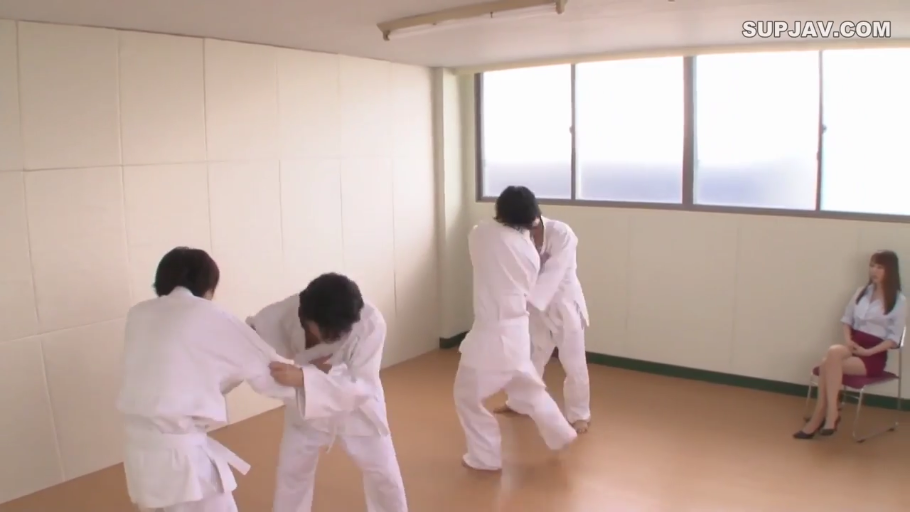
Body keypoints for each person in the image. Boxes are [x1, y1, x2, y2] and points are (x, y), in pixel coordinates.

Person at [117, 247, 361, 512]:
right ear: (208, 287)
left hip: (137, 457)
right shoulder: (211, 316)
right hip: (182, 461)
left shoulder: (138, 315)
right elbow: (272, 373)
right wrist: (313, 381)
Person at [252, 273, 407, 512]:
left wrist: (304, 377)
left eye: (340, 332)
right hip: (306, 406)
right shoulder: (288, 311)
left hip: (358, 410)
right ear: (305, 316)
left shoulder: (371, 323)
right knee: (292, 474)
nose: (334, 337)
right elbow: (251, 334)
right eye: (327, 331)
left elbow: (361, 384)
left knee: (384, 474)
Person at [454, 186, 578, 471]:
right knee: (527, 387)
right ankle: (561, 433)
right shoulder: (529, 252)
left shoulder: (483, 234)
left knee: (467, 396)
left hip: (491, 334)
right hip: (518, 331)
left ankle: (484, 457)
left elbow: (482, 234)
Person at [794, 250, 906, 440]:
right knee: (833, 351)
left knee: (827, 365)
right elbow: (847, 320)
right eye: (872, 265)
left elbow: (894, 339)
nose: (874, 270)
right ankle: (831, 413)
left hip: (873, 354)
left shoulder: (899, 300)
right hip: (854, 344)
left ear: (890, 270)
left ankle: (820, 415)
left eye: (880, 267)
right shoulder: (862, 292)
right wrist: (848, 340)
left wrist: (868, 351)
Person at [495, 215, 591, 433]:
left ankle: (579, 414)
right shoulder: (517, 235)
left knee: (574, 362)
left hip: (564, 304)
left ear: (534, 217)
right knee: (530, 357)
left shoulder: (562, 233)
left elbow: (555, 272)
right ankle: (519, 403)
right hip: (535, 306)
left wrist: (528, 302)